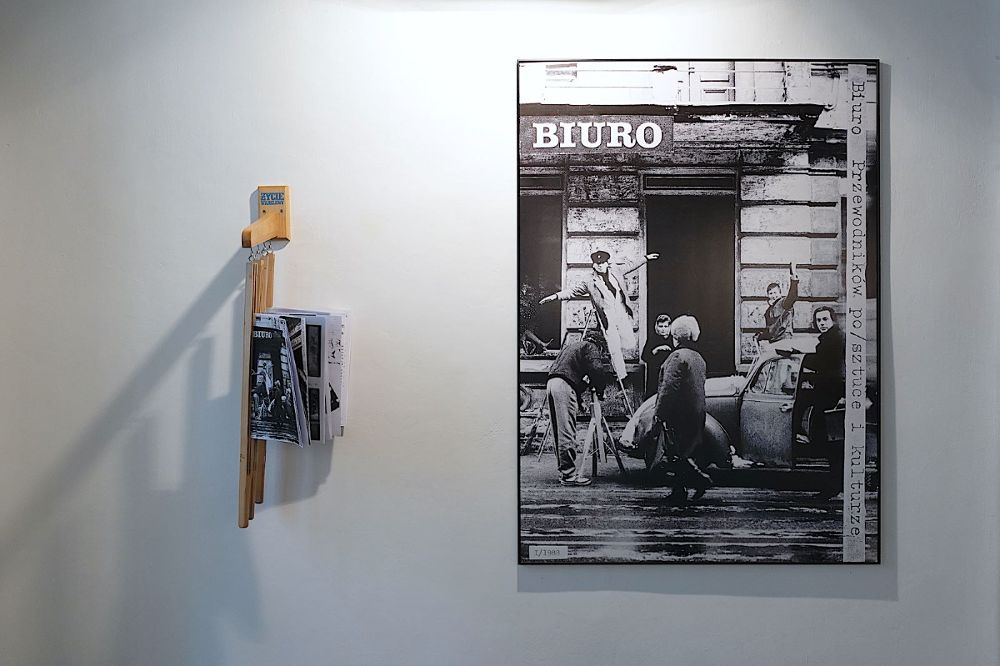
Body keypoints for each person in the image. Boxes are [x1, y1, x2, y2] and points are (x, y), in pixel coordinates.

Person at [539, 249, 659, 380]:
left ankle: (609, 350)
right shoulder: (590, 281)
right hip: (607, 316)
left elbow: (631, 265)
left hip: (621, 312)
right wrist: (555, 296)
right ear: (594, 265)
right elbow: (572, 291)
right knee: (614, 346)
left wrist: (646, 258)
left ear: (607, 263)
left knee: (629, 343)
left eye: (602, 263)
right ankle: (621, 375)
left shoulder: (616, 271)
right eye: (597, 263)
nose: (600, 265)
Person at [654, 315, 713, 504]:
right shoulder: (698, 358)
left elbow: (669, 388)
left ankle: (699, 480)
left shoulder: (677, 356)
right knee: (683, 452)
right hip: (696, 411)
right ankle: (679, 490)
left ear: (676, 336)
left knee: (675, 452)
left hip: (679, 413)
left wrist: (659, 413)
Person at [545, 330, 615, 486]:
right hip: (563, 386)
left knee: (559, 431)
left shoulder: (573, 346)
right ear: (600, 345)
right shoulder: (591, 347)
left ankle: (565, 472)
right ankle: (569, 476)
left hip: (552, 383)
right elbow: (596, 370)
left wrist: (578, 399)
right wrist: (601, 391)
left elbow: (569, 374)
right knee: (567, 431)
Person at [802, 306, 846, 499]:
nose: (821, 323)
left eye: (825, 319)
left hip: (832, 398)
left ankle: (834, 486)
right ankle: (835, 484)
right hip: (828, 395)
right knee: (832, 443)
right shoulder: (830, 338)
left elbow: (823, 364)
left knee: (833, 443)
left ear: (833, 320)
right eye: (818, 320)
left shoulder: (834, 339)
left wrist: (802, 357)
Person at [757, 262, 799, 345]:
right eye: (771, 293)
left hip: (784, 341)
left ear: (780, 293)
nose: (773, 296)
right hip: (774, 342)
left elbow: (793, 295)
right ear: (768, 295)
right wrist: (761, 335)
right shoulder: (769, 310)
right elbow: (771, 329)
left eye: (775, 293)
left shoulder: (784, 303)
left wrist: (793, 276)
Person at [641, 313, 673, 399]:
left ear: (669, 327)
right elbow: (644, 357)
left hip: (668, 373)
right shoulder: (652, 339)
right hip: (654, 375)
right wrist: (656, 349)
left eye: (665, 326)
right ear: (657, 327)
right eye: (660, 326)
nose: (663, 329)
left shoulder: (673, 340)